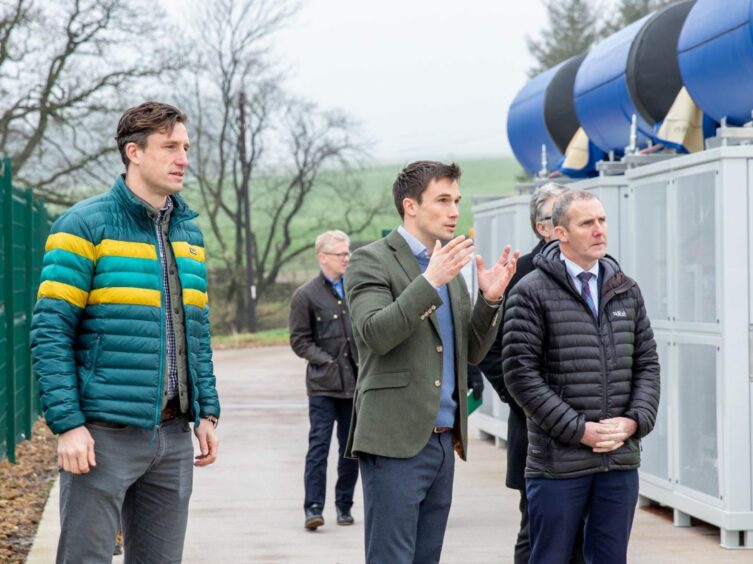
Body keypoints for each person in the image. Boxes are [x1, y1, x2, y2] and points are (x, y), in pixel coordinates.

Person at [30, 101, 220, 563]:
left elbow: (195, 330)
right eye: (170, 147)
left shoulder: (188, 235)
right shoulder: (82, 226)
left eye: (186, 147)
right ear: (134, 152)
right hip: (102, 436)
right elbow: (51, 331)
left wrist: (208, 411)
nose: (183, 159)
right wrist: (69, 424)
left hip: (173, 435)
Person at [344, 160, 519, 564]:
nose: (454, 210)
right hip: (394, 440)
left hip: (443, 440)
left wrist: (489, 300)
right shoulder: (371, 260)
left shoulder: (449, 269)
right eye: (442, 200)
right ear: (411, 205)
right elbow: (375, 333)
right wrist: (429, 282)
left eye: (456, 200)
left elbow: (471, 353)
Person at [502, 189, 660, 564]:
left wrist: (633, 422)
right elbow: (520, 375)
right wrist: (579, 430)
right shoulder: (530, 292)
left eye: (602, 220)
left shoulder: (626, 290)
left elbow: (648, 364)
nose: (599, 230)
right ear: (560, 233)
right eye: (587, 223)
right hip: (559, 464)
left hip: (618, 461)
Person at [477, 182, 583, 564]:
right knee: (537, 534)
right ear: (543, 227)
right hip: (536, 430)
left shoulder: (595, 272)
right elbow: (489, 348)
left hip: (589, 433)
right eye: (561, 214)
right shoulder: (519, 274)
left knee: (586, 538)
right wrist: (522, 397)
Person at [289, 229, 360, 530]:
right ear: (323, 257)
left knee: (351, 449)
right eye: (340, 254)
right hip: (323, 386)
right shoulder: (306, 295)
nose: (346, 258)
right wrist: (327, 361)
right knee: (318, 448)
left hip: (355, 384)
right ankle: (313, 508)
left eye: (348, 253)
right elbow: (299, 340)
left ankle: (344, 506)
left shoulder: (357, 288)